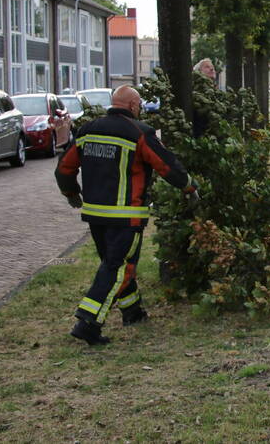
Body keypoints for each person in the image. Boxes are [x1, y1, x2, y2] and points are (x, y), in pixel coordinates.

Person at [55, 85, 199, 345]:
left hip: (95, 215)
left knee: (113, 264)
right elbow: (166, 165)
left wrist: (71, 192)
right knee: (119, 267)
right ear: (133, 106)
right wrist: (189, 186)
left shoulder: (87, 130)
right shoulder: (139, 133)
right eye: (140, 104)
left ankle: (133, 312)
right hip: (126, 216)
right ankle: (88, 321)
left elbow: (64, 167)